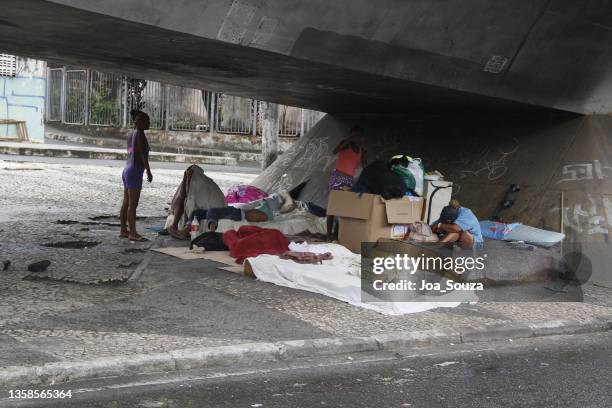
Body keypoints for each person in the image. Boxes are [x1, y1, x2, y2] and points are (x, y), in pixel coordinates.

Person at [326, 125, 367, 240]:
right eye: (353, 135)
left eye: (358, 136)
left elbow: (365, 168)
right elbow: (335, 151)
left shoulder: (362, 152)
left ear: (362, 138)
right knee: (332, 207)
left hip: (349, 180)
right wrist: (348, 140)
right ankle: (329, 235)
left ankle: (338, 234)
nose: (355, 138)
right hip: (337, 177)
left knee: (343, 208)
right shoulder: (345, 144)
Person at [119, 110, 153, 241]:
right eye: (147, 121)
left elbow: (131, 151)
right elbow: (143, 155)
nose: (149, 123)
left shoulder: (131, 134)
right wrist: (148, 171)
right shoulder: (140, 134)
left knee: (126, 202)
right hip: (135, 171)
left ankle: (124, 229)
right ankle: (133, 232)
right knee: (133, 204)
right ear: (140, 122)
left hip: (127, 168)